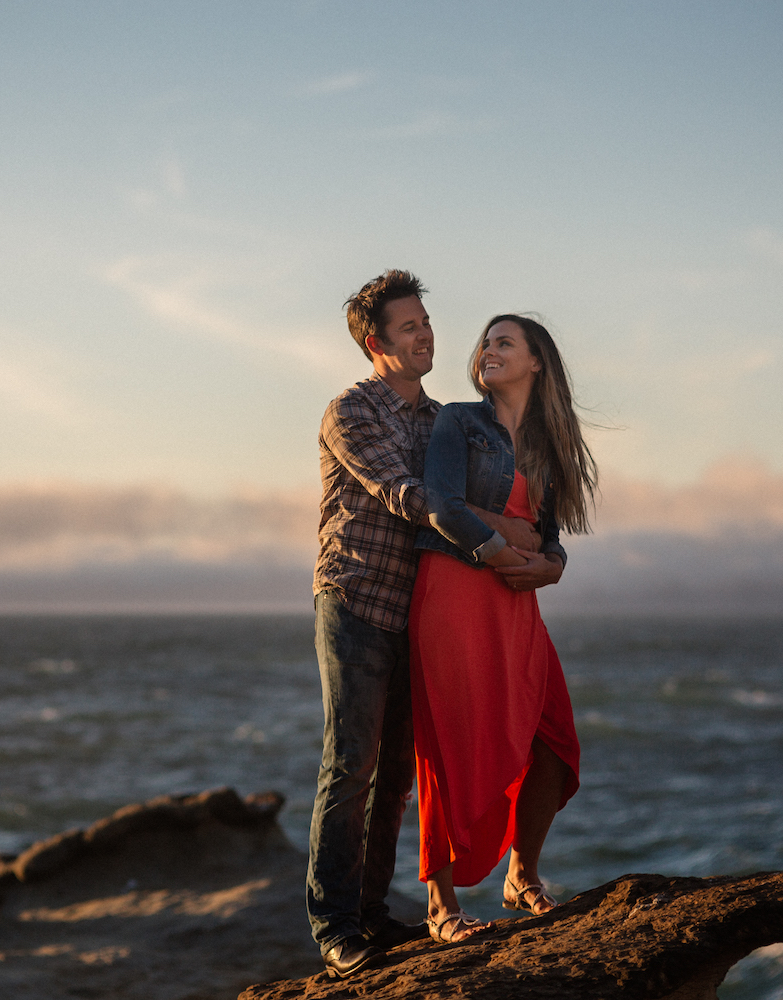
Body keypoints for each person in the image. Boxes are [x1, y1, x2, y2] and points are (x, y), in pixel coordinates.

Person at [309, 272, 542, 978]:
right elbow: (407, 496)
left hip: (420, 614)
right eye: (410, 328)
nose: (427, 335)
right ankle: (336, 926)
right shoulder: (350, 411)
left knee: (399, 778)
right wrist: (499, 537)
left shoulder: (444, 417)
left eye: (427, 323)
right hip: (355, 601)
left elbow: (480, 493)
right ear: (376, 343)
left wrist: (538, 543)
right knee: (351, 764)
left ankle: (375, 913)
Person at [408, 313, 598, 942]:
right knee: (448, 742)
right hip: (458, 589)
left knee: (555, 738)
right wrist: (499, 550)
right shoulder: (459, 420)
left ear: (536, 362)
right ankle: (441, 907)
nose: (488, 350)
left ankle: (523, 874)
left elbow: (553, 538)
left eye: (504, 342)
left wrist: (549, 567)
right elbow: (440, 504)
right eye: (486, 343)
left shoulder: (547, 446)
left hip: (518, 600)